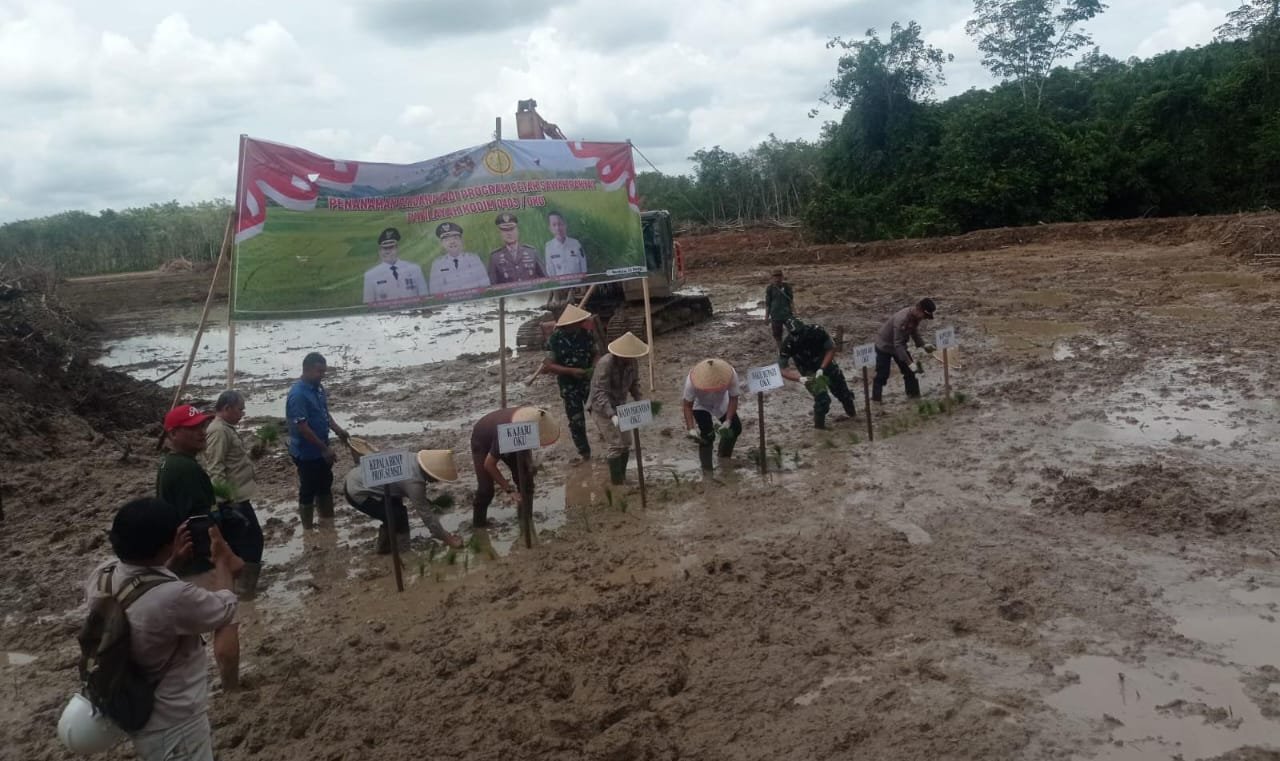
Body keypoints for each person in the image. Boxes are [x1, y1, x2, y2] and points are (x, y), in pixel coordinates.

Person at [81, 497, 239, 761]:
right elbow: (223, 607)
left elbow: (139, 593)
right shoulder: (173, 597)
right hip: (174, 720)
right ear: (168, 543)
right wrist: (223, 563)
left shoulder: (102, 574)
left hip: (135, 705)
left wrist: (169, 564)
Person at [155, 405, 241, 691]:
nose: (201, 433)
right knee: (226, 618)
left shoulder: (169, 464)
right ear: (173, 433)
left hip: (182, 555)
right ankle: (231, 686)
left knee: (187, 630)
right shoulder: (186, 469)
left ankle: (193, 683)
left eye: (202, 427)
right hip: (200, 556)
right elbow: (200, 520)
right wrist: (223, 556)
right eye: (192, 429)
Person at [199, 390, 265, 598]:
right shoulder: (218, 431)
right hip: (232, 499)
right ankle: (245, 590)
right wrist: (223, 501)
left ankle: (237, 587)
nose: (243, 413)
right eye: (240, 409)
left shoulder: (227, 428)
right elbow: (215, 468)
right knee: (253, 540)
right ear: (226, 408)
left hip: (238, 495)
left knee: (240, 542)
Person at [343, 449, 465, 553]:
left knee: (394, 512)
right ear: (429, 472)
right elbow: (426, 515)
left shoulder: (412, 457)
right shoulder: (414, 483)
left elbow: (401, 487)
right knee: (398, 517)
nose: (436, 481)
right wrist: (447, 539)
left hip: (359, 478)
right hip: (357, 491)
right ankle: (402, 551)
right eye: (436, 477)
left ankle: (386, 548)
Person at [286, 352, 349, 530]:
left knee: (325, 483)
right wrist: (324, 449)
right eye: (318, 371)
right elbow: (303, 428)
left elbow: (323, 414)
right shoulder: (298, 395)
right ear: (306, 370)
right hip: (306, 452)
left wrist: (338, 430)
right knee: (308, 488)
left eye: (323, 372)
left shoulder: (318, 389)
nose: (321, 375)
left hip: (321, 448)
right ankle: (307, 529)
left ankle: (327, 523)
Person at [469, 407, 560, 527]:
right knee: (486, 490)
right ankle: (479, 526)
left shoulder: (530, 419)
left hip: (509, 435)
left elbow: (526, 449)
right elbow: (489, 465)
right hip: (483, 438)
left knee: (527, 482)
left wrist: (529, 466)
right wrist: (509, 490)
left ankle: (525, 519)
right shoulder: (506, 434)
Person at [588, 332, 648, 485]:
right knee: (616, 444)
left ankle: (623, 477)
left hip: (620, 405)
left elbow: (634, 383)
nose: (630, 359)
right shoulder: (605, 363)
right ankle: (617, 483)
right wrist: (611, 414)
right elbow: (599, 392)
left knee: (626, 442)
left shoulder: (632, 363)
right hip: (601, 408)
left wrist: (639, 400)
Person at [778, 317, 858, 429]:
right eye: (795, 334)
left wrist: (822, 368)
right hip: (808, 371)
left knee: (843, 392)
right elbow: (782, 369)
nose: (798, 336)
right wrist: (799, 378)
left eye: (800, 333)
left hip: (826, 364)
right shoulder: (789, 344)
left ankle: (853, 416)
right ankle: (819, 429)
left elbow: (831, 348)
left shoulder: (817, 331)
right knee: (822, 398)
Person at [542, 304, 598, 461]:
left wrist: (594, 366)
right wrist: (571, 371)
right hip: (569, 385)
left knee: (599, 412)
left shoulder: (587, 334)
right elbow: (548, 365)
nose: (580, 324)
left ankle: (612, 443)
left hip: (588, 382)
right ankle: (584, 452)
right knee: (576, 420)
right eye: (577, 322)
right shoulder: (554, 339)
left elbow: (596, 353)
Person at [681, 358, 742, 472]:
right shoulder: (691, 381)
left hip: (722, 401)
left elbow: (733, 398)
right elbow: (687, 405)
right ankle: (707, 468)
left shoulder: (731, 374)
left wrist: (728, 421)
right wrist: (691, 429)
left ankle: (723, 456)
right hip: (701, 404)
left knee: (735, 427)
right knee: (707, 435)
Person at [873, 298, 937, 403]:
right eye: (924, 316)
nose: (924, 319)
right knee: (882, 374)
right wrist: (910, 363)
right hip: (884, 346)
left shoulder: (915, 317)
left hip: (899, 346)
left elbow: (914, 332)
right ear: (919, 309)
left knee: (910, 373)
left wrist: (923, 345)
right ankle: (876, 401)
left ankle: (914, 398)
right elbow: (897, 345)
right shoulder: (901, 319)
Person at [363, 227, 427, 306]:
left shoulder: (415, 269)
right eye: (385, 248)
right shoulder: (370, 275)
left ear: (397, 248)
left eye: (391, 247)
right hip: (387, 316)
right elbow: (369, 305)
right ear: (379, 251)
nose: (388, 251)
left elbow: (424, 298)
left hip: (413, 314)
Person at [428, 221, 491, 294]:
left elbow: (485, 285)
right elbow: (434, 292)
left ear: (461, 240)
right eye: (447, 240)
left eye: (455, 238)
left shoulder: (474, 259)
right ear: (442, 244)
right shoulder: (437, 264)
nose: (452, 242)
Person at [488, 213, 547, 284]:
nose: (509, 233)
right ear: (500, 233)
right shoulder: (495, 257)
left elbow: (545, 279)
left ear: (517, 230)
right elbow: (493, 286)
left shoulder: (531, 252)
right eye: (505, 230)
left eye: (512, 229)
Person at [544, 211, 588, 277]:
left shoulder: (576, 243)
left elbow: (583, 266)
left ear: (565, 225)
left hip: (578, 283)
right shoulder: (549, 247)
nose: (558, 228)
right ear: (550, 228)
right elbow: (550, 270)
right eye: (554, 225)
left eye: (560, 224)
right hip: (561, 285)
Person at [764, 269, 795, 348]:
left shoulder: (787, 287)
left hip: (787, 314)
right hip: (775, 315)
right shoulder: (770, 288)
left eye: (779, 276)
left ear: (782, 277)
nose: (777, 278)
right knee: (777, 336)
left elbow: (791, 301)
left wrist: (794, 313)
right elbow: (768, 304)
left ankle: (793, 348)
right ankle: (781, 351)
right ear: (772, 278)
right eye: (775, 276)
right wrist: (766, 317)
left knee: (793, 332)